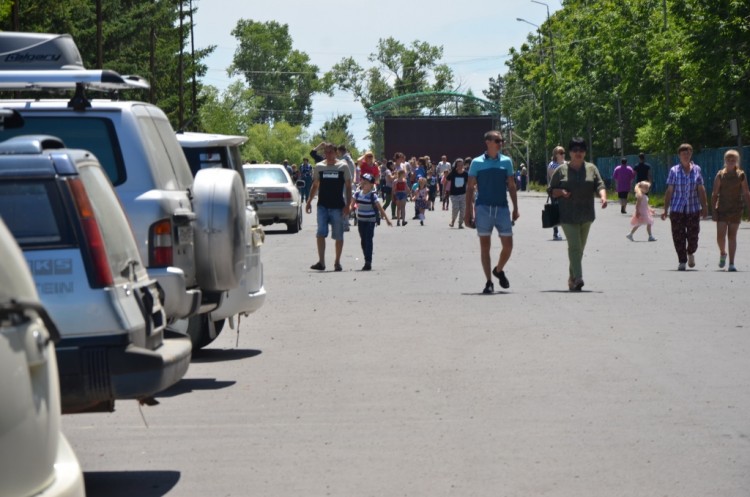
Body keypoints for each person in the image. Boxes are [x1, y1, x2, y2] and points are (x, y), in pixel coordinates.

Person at [548, 137, 608, 291]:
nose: (578, 153)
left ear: (585, 152)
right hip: (567, 215)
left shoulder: (591, 168)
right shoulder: (560, 170)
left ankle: (572, 278)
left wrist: (603, 197)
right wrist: (560, 191)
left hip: (586, 214)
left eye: (581, 150)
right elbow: (551, 190)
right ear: (570, 152)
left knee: (579, 249)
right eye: (575, 150)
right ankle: (579, 277)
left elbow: (599, 184)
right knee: (574, 246)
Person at [464, 130, 519, 294]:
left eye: (501, 140)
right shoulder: (476, 162)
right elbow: (469, 187)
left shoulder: (506, 162)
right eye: (497, 140)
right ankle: (489, 281)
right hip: (483, 208)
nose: (500, 143)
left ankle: (499, 269)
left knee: (508, 246)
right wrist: (468, 212)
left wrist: (516, 207)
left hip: (502, 208)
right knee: (485, 246)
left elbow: (511, 185)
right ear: (488, 142)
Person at [660, 143, 708, 271]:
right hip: (677, 209)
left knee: (693, 235)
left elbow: (701, 189)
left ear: (691, 154)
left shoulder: (697, 169)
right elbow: (669, 190)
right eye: (683, 154)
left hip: (693, 208)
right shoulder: (674, 171)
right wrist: (665, 209)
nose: (685, 156)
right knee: (678, 236)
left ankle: (690, 251)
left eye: (688, 153)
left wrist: (704, 206)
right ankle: (682, 260)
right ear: (679, 156)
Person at [305, 142, 352, 272]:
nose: (328, 154)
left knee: (338, 235)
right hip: (322, 206)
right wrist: (309, 201)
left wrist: (348, 205)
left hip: (337, 206)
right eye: (325, 152)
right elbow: (315, 185)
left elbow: (348, 187)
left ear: (336, 152)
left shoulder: (343, 166)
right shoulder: (319, 167)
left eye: (330, 151)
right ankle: (321, 262)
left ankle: (337, 262)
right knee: (320, 233)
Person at [711, 149, 750, 271]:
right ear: (725, 161)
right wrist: (713, 211)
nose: (731, 161)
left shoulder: (741, 175)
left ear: (737, 161)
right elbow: (715, 193)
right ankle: (723, 253)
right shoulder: (720, 175)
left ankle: (732, 263)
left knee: (732, 236)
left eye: (733, 159)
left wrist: (749, 210)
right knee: (720, 236)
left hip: (736, 209)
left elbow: (746, 193)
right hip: (722, 209)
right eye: (728, 159)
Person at [351, 173, 392, 271]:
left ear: (371, 185)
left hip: (370, 221)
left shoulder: (372, 195)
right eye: (362, 181)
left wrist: (387, 219)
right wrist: (346, 212)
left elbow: (380, 208)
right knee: (363, 241)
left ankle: (368, 261)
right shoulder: (357, 194)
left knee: (368, 240)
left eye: (366, 182)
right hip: (361, 220)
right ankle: (367, 257)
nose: (363, 183)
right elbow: (351, 205)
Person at [547, 146, 566, 241]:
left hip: (566, 191)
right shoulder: (552, 165)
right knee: (555, 211)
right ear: (556, 155)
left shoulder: (566, 164)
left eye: (564, 153)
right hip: (555, 191)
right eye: (561, 153)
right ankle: (556, 232)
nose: (563, 155)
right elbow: (554, 179)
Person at [447, 158, 469, 228]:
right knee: (455, 208)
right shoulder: (453, 173)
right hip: (454, 194)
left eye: (461, 165)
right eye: (458, 165)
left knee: (463, 209)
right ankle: (453, 221)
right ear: (456, 165)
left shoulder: (465, 174)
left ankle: (460, 223)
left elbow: (468, 183)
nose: (460, 166)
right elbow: (447, 179)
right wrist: (445, 190)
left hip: (463, 194)